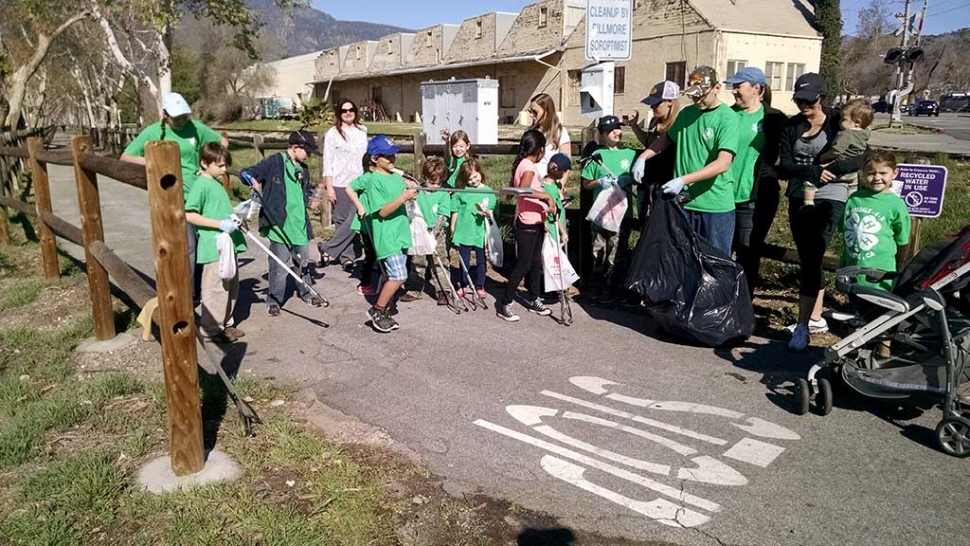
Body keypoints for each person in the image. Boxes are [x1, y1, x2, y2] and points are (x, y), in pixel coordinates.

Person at [778, 73, 867, 351]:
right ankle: (814, 318)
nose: (803, 104)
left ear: (822, 97)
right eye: (799, 99)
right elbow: (785, 164)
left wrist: (833, 170)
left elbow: (863, 154)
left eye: (809, 99)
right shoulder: (791, 125)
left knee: (814, 251)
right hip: (799, 193)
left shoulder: (839, 120)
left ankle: (803, 325)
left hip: (832, 194)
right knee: (807, 255)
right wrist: (813, 171)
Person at [121, 92, 227, 294]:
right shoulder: (152, 132)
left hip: (198, 192)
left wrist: (207, 164)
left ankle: (202, 289)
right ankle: (186, 293)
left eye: (184, 117)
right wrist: (154, 161)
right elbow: (126, 156)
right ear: (164, 115)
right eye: (176, 118)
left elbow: (221, 142)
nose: (181, 121)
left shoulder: (195, 128)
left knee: (206, 242)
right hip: (172, 196)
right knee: (187, 245)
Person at [631, 66, 740, 256]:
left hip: (714, 206)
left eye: (702, 95)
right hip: (684, 203)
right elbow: (666, 139)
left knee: (714, 263)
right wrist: (643, 157)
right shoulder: (686, 115)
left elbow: (723, 163)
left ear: (717, 88)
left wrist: (683, 180)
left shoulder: (727, 119)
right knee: (684, 260)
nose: (698, 100)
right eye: (694, 96)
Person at [240, 130, 325, 317]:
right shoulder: (275, 162)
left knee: (302, 262)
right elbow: (247, 172)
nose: (308, 156)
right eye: (307, 152)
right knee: (279, 265)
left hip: (299, 224)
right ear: (295, 147)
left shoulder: (303, 169)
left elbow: (301, 194)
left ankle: (307, 292)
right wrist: (250, 178)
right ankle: (274, 299)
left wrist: (309, 201)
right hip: (279, 225)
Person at [725, 67, 788, 294]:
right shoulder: (727, 115)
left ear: (757, 88)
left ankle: (743, 307)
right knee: (721, 251)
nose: (734, 92)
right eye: (733, 87)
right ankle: (720, 302)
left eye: (738, 87)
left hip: (754, 198)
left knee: (748, 252)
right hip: (723, 195)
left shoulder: (774, 118)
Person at [842, 151, 911, 357]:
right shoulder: (854, 199)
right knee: (854, 315)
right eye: (871, 173)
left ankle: (883, 354)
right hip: (854, 271)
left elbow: (902, 240)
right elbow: (845, 232)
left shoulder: (896, 204)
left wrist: (898, 268)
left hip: (881, 274)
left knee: (883, 317)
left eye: (883, 173)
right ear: (863, 173)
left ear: (894, 173)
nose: (877, 177)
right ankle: (850, 353)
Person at [347, 135, 417, 333]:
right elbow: (383, 211)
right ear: (375, 158)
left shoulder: (395, 177)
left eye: (394, 155)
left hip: (401, 233)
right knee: (399, 276)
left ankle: (384, 306)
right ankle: (377, 310)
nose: (393, 159)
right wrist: (403, 197)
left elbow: (402, 196)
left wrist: (410, 194)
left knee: (395, 275)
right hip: (386, 236)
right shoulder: (373, 181)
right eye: (388, 156)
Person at [183, 143, 247, 344]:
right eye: (219, 166)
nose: (224, 170)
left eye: (225, 165)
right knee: (215, 286)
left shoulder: (217, 183)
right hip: (214, 243)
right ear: (204, 163)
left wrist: (237, 216)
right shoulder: (201, 184)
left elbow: (218, 208)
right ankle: (210, 328)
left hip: (228, 242)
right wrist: (219, 224)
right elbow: (190, 214)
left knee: (230, 284)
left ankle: (225, 323)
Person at [497, 129, 559, 322]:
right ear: (539, 150)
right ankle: (505, 303)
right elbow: (523, 191)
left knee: (535, 263)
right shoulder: (529, 166)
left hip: (537, 220)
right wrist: (546, 196)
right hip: (527, 222)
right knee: (523, 265)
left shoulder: (525, 164)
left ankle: (534, 298)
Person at [580, 115, 637, 297]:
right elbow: (586, 183)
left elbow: (639, 178)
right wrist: (599, 181)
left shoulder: (630, 154)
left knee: (617, 249)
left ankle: (614, 287)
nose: (616, 132)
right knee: (598, 248)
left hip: (622, 212)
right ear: (603, 134)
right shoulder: (597, 156)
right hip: (601, 212)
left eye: (618, 128)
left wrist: (631, 180)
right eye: (612, 130)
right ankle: (596, 285)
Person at [319, 100, 368, 270]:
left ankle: (327, 247)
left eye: (351, 110)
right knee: (342, 219)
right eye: (344, 110)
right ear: (339, 113)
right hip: (340, 182)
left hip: (359, 182)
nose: (348, 113)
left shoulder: (362, 131)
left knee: (356, 218)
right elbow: (328, 161)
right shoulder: (332, 133)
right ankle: (347, 257)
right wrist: (329, 187)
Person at [628, 81, 681, 223]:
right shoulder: (655, 121)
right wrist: (634, 126)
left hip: (664, 185)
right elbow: (649, 143)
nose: (652, 108)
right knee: (644, 224)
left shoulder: (677, 125)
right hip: (646, 183)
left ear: (670, 101)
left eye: (656, 104)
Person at [449, 159, 495, 298]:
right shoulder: (460, 192)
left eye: (475, 177)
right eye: (469, 179)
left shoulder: (488, 191)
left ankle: (480, 285)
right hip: (464, 230)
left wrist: (488, 213)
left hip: (480, 231)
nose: (473, 181)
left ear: (480, 172)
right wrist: (453, 228)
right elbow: (455, 211)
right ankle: (463, 285)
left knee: (481, 260)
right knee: (464, 260)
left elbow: (493, 211)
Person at [815, 98, 873, 202]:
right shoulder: (865, 133)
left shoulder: (846, 134)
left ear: (856, 122)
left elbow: (836, 150)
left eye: (843, 119)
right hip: (854, 172)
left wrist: (824, 156)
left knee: (812, 178)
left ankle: (808, 200)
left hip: (839, 165)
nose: (839, 122)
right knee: (852, 192)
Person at [416, 156, 452, 305]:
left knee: (439, 261)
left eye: (438, 183)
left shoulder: (443, 194)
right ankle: (415, 288)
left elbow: (443, 215)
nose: (434, 186)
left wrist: (434, 231)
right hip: (419, 232)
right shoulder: (417, 192)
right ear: (424, 177)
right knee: (418, 260)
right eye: (431, 182)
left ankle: (444, 291)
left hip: (436, 234)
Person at [348, 153, 378, 296]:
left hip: (377, 221)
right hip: (366, 222)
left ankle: (378, 275)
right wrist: (360, 206)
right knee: (370, 253)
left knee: (378, 251)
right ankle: (364, 283)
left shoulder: (379, 178)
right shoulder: (367, 178)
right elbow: (349, 189)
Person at [529, 93, 572, 181]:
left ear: (547, 111)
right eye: (530, 111)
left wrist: (560, 187)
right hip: (531, 181)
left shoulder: (560, 132)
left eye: (535, 112)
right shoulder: (529, 133)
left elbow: (566, 164)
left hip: (551, 182)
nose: (532, 115)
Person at [543, 154, 570, 247]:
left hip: (556, 227)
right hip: (554, 229)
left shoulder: (551, 186)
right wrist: (563, 232)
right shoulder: (549, 190)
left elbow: (559, 203)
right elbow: (554, 214)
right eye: (564, 171)